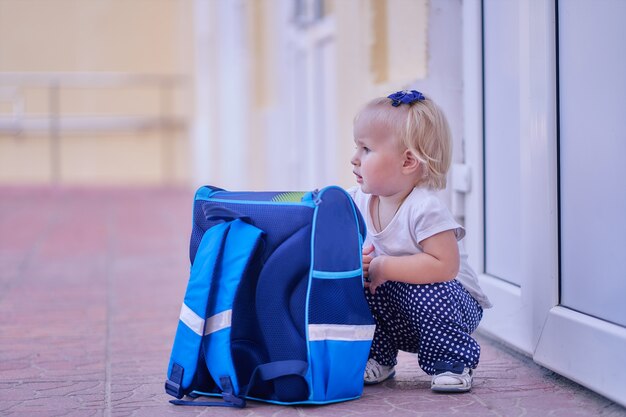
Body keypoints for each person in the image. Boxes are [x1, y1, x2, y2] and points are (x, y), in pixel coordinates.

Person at [347, 90, 492, 393]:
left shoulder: (424, 207)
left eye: (365, 149)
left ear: (408, 161)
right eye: (356, 147)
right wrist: (354, 263)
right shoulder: (356, 201)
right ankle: (378, 356)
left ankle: (451, 361)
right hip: (401, 311)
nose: (354, 158)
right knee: (356, 284)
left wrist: (384, 266)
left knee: (425, 285)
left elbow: (445, 266)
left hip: (451, 305)